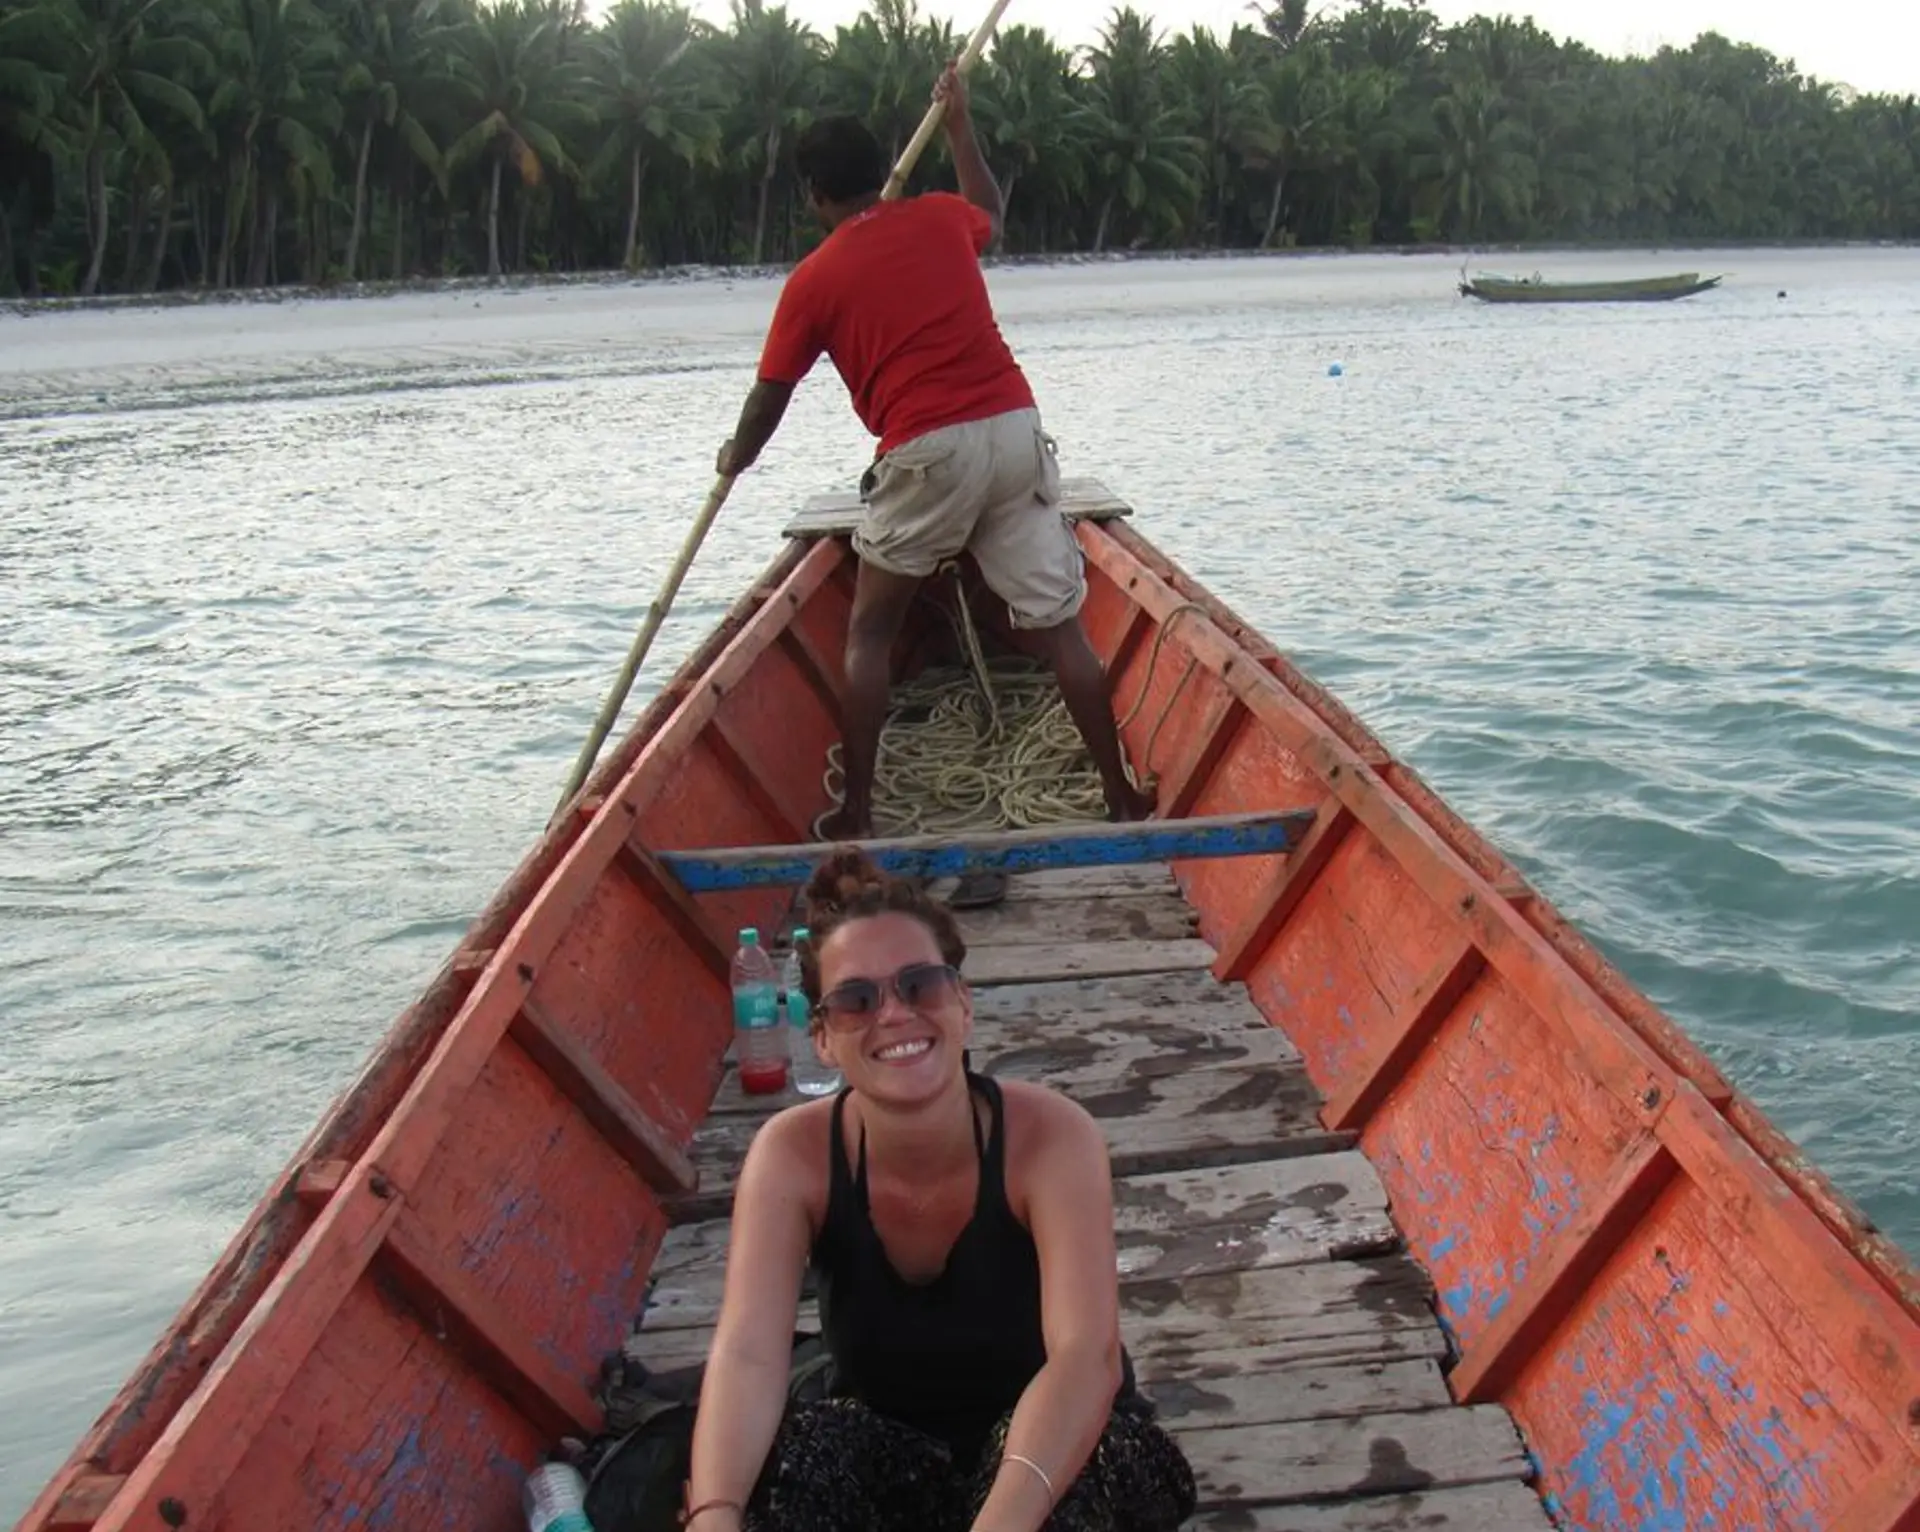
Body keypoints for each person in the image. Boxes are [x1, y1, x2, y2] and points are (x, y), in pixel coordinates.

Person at [679, 850, 1198, 1532]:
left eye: (919, 986)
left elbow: (1084, 1358)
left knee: (1090, 1482)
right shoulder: (793, 1155)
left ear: (963, 1004)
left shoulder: (1051, 1138)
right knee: (795, 1468)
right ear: (823, 1038)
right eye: (857, 1000)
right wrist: (713, 1515)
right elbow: (748, 1352)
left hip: (1052, 1452)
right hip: (889, 1448)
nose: (893, 1015)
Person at [715, 64, 1156, 842]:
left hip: (929, 453)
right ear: (883, 171)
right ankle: (1120, 798)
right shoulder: (942, 219)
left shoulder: (813, 281)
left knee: (871, 633)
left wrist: (734, 458)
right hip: (1016, 430)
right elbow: (991, 209)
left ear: (815, 194)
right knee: (1062, 630)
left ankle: (856, 812)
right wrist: (959, 123)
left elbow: (771, 395)